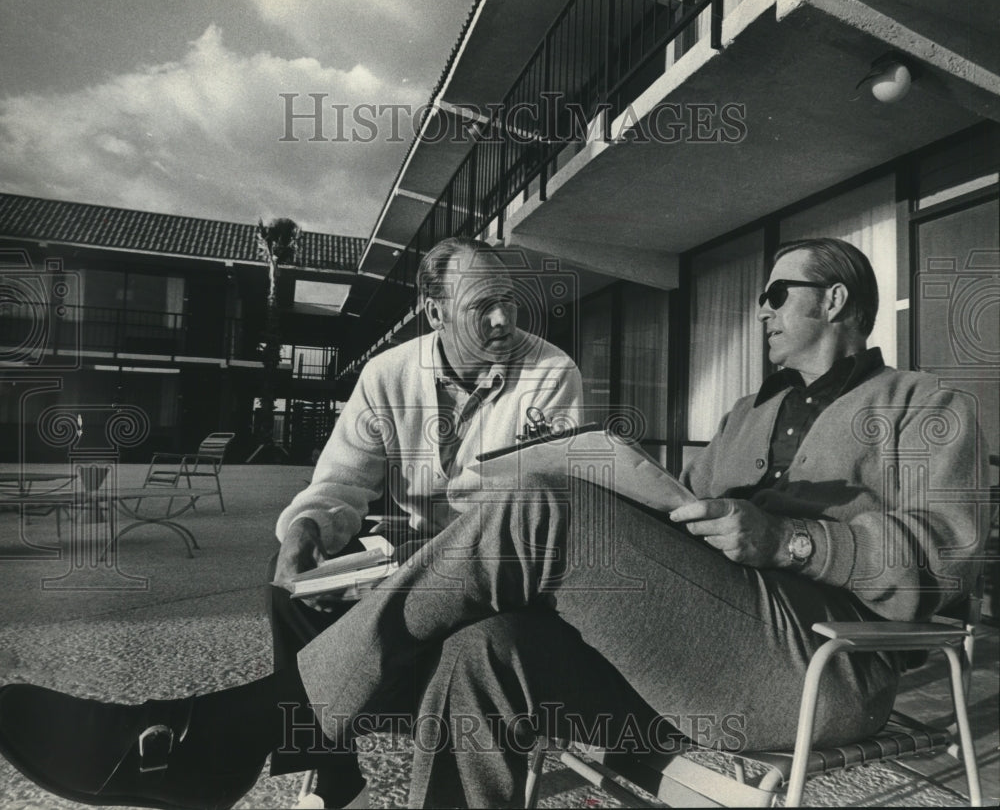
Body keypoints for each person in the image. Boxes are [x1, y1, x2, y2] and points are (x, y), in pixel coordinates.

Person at [0, 238, 988, 809]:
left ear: (839, 301)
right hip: (694, 649)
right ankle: (245, 735)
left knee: (541, 505)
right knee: (487, 650)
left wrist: (794, 540)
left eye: (778, 292)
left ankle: (223, 733)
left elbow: (947, 564)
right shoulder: (747, 418)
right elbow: (687, 547)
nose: (762, 309)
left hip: (821, 664)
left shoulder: (921, 406)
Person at [269, 235, 583, 806]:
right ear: (435, 312)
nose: (502, 319)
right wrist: (306, 529)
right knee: (290, 582)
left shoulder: (550, 371)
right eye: (480, 306)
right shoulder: (387, 375)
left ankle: (303, 720)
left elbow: (536, 499)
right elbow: (340, 484)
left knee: (474, 634)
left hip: (497, 565)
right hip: (407, 547)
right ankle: (336, 773)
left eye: (509, 302)